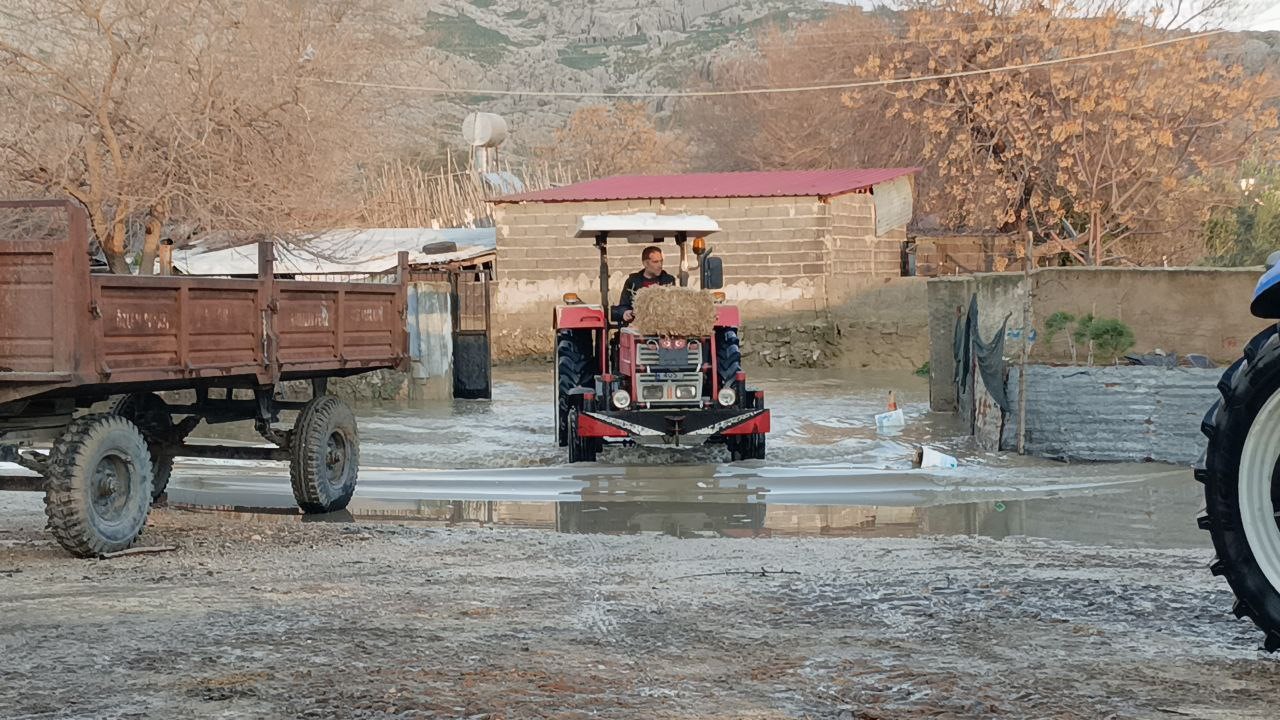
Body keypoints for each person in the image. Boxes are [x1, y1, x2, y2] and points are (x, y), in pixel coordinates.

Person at [612, 245, 675, 324]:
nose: (660, 265)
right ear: (645, 263)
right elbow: (623, 306)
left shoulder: (668, 280)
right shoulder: (632, 282)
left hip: (663, 326)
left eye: (661, 261)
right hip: (637, 326)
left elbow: (673, 307)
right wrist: (625, 312)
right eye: (655, 262)